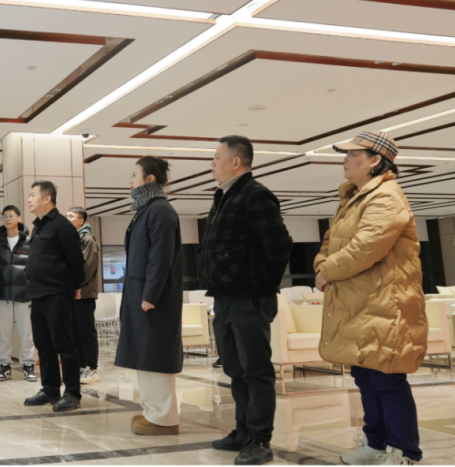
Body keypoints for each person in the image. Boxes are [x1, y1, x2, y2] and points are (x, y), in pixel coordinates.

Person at [315, 131, 428, 466]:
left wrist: (328, 271)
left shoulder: (386, 196)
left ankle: (405, 452)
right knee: (365, 378)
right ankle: (376, 444)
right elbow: (330, 241)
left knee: (387, 380)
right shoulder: (353, 197)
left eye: (353, 154)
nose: (345, 159)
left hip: (384, 305)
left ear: (375, 160)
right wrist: (321, 264)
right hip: (359, 305)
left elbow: (366, 247)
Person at [200, 136, 292, 465]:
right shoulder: (224, 196)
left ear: (236, 162)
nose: (212, 163)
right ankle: (242, 431)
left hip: (249, 297)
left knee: (256, 371)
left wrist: (265, 281)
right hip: (225, 297)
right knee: (235, 370)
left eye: (217, 157)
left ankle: (260, 439)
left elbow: (279, 243)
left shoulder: (255, 194)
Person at [114, 156, 183, 436]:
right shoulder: (147, 209)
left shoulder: (161, 210)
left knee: (155, 352)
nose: (130, 180)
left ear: (150, 178)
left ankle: (164, 418)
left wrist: (151, 294)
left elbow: (161, 257)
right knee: (145, 352)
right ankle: (152, 411)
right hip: (140, 293)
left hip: (154, 297)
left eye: (135, 174)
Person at [23, 181, 86, 412]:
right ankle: (50, 389)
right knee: (44, 345)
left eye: (33, 195)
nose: (29, 199)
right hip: (38, 294)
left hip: (57, 293)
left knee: (64, 344)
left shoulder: (62, 226)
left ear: (47, 198)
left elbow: (77, 262)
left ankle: (72, 393)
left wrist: (75, 286)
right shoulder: (37, 227)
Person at [0, 205, 37, 382]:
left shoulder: (29, 242)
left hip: (24, 294)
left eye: (11, 215)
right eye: (4, 216)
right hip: (4, 294)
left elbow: (34, 267)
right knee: (4, 332)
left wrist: (27, 283)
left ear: (18, 218)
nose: (7, 219)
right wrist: (3, 280)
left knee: (26, 332)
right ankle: (4, 366)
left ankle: (28, 365)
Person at [65, 207, 101, 384]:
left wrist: (74, 285)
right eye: (66, 216)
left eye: (71, 216)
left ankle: (92, 368)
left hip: (84, 293)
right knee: (74, 332)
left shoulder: (87, 240)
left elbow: (86, 268)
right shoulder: (70, 239)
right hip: (70, 293)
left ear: (82, 221)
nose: (67, 218)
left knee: (86, 331)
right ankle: (80, 366)